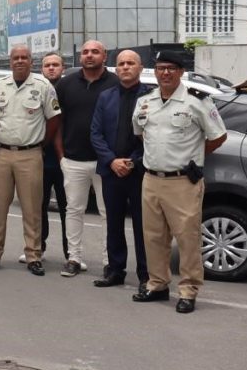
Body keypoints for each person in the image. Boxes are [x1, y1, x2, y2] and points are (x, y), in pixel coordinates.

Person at [132, 51, 226, 313]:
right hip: (151, 179)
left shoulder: (197, 102)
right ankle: (158, 284)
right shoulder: (145, 102)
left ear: (181, 72)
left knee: (187, 238)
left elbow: (218, 136)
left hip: (183, 181)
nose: (165, 73)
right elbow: (141, 135)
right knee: (153, 237)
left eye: (171, 68)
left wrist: (193, 159)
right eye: (161, 68)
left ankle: (188, 290)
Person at [0, 44, 61, 275]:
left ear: (31, 61)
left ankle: (33, 255)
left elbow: (54, 119)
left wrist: (40, 144)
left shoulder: (43, 86)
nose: (19, 61)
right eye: (15, 57)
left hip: (30, 154)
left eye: (24, 57)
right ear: (10, 61)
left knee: (32, 207)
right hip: (2, 154)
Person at [54, 40, 118, 277]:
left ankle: (109, 261)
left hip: (107, 162)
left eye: (95, 52)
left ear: (105, 55)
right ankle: (74, 258)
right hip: (73, 160)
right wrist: (61, 156)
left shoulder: (116, 83)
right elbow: (57, 122)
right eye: (85, 52)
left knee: (108, 213)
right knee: (74, 210)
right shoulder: (66, 84)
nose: (89, 56)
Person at [90, 50, 153, 289]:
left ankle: (146, 275)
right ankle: (115, 271)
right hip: (111, 170)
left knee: (142, 225)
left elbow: (153, 136)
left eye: (130, 63)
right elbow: (95, 134)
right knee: (113, 223)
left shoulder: (150, 97)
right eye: (121, 64)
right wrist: (111, 161)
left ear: (140, 68)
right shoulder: (106, 97)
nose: (125, 67)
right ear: (116, 69)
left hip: (139, 171)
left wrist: (133, 161)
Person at [21, 53, 69, 266]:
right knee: (37, 206)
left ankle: (72, 254)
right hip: (38, 156)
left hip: (66, 159)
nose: (51, 68)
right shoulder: (36, 89)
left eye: (55, 65)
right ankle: (37, 247)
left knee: (68, 206)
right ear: (41, 68)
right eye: (47, 65)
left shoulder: (70, 89)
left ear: (63, 67)